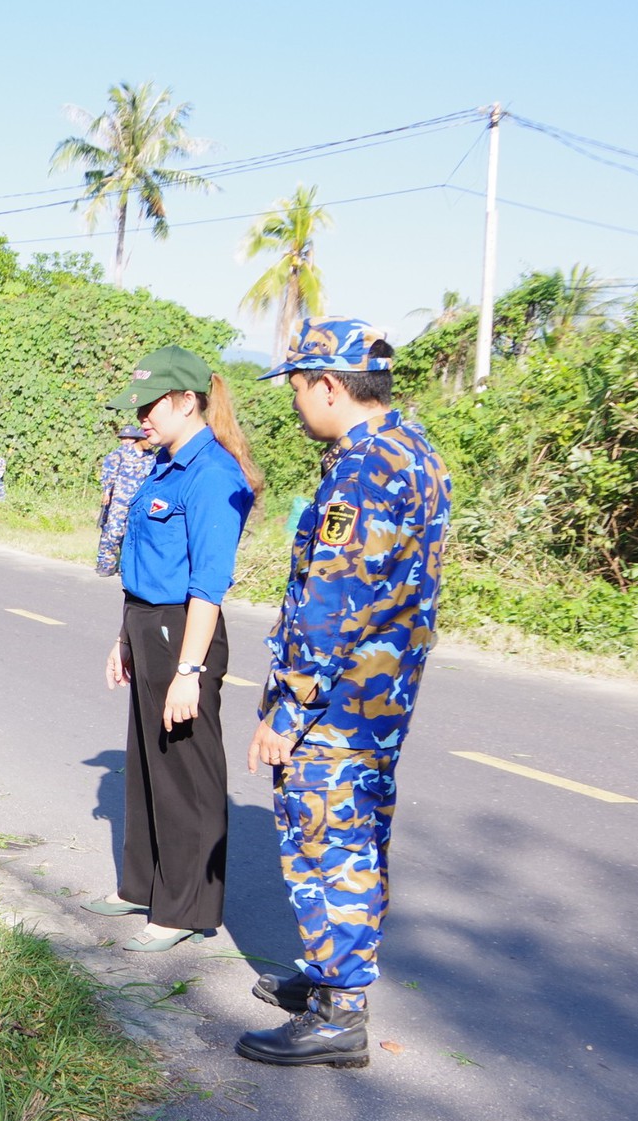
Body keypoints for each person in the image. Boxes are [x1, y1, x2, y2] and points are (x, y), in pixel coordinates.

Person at [238, 318, 451, 1070]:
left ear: (328, 385)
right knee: (357, 834)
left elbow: (331, 602)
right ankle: (331, 973)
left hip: (338, 703)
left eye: (298, 387)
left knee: (327, 839)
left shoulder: (361, 470)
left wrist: (286, 711)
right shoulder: (414, 450)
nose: (297, 403)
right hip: (382, 697)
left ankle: (339, 1009)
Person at [91, 347, 260, 952]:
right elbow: (145, 563)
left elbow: (207, 585)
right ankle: (143, 885)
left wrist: (189, 670)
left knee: (185, 771)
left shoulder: (214, 475)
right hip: (147, 623)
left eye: (151, 404)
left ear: (188, 401)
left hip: (184, 631)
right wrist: (123, 635)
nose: (142, 415)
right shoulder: (164, 465)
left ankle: (184, 907)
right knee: (145, 764)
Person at [97, 424, 154, 577]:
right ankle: (106, 564)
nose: (150, 443)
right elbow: (109, 471)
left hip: (138, 502)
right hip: (119, 500)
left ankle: (126, 567)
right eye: (147, 439)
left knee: (132, 535)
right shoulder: (121, 453)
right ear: (140, 439)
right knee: (113, 532)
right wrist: (106, 491)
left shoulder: (151, 457)